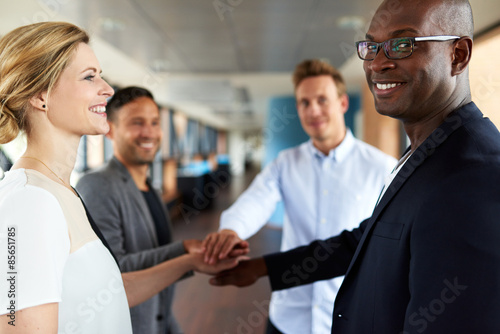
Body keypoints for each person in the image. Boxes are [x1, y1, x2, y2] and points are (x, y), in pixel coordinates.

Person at [209, 0, 500, 333]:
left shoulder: (474, 175)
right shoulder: (424, 156)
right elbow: (365, 242)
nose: (377, 62)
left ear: (458, 54)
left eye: (402, 44)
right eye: (371, 46)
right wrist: (261, 266)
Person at [0, 22, 242, 334]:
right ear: (40, 96)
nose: (108, 89)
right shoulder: (30, 201)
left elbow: (109, 295)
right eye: (89, 77)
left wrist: (189, 261)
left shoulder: (62, 192)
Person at [203, 59, 396, 333]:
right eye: (305, 102)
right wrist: (232, 230)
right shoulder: (286, 162)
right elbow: (257, 199)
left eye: (322, 100)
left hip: (348, 316)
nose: (313, 110)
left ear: (342, 103)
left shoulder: (382, 167)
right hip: (287, 317)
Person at [76, 86, 248, 334]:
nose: (149, 132)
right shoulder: (97, 185)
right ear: (110, 129)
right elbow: (113, 272)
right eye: (137, 123)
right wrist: (186, 256)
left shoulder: (150, 187)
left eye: (155, 122)